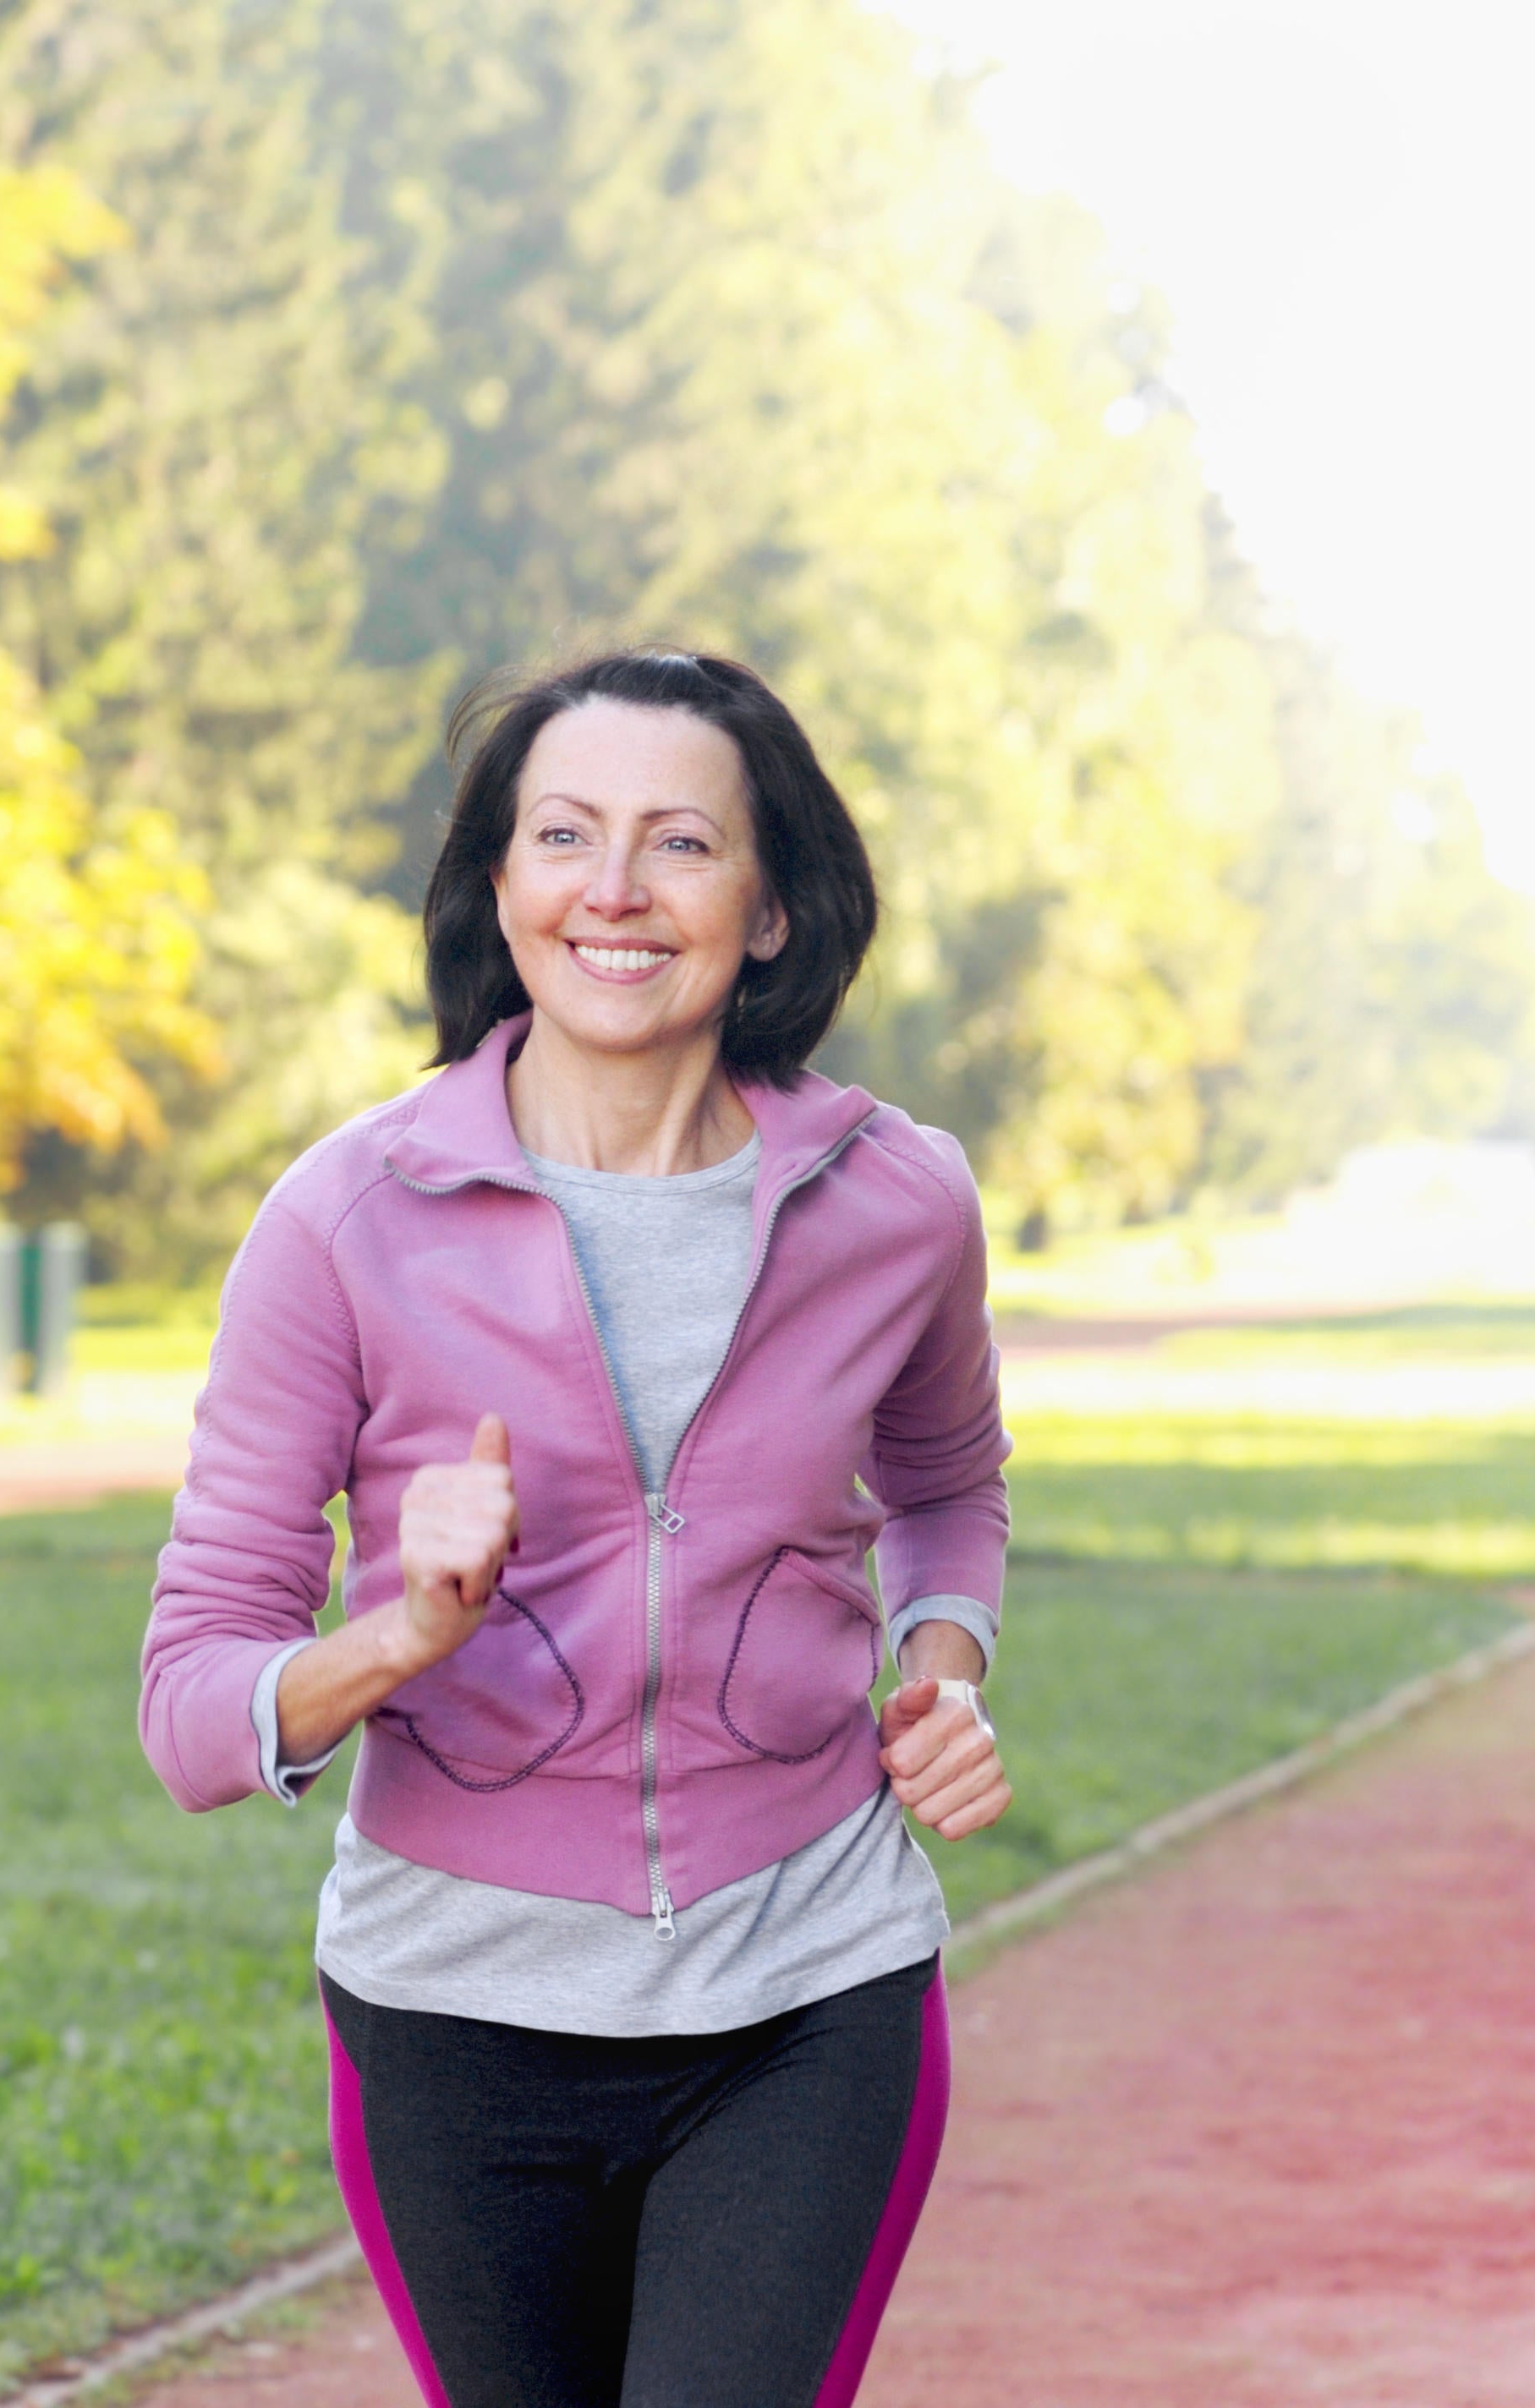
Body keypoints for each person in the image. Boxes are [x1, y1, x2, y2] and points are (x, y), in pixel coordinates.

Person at [139, 649, 1013, 2407]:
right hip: (454, 2012)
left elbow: (944, 1482)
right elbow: (187, 1711)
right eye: (562, 835)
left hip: (805, 1981)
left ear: (766, 909)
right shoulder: (343, 1219)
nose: (612, 889)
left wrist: (940, 1663)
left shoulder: (895, 1198)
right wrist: (399, 1629)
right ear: (501, 885)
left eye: (678, 842)